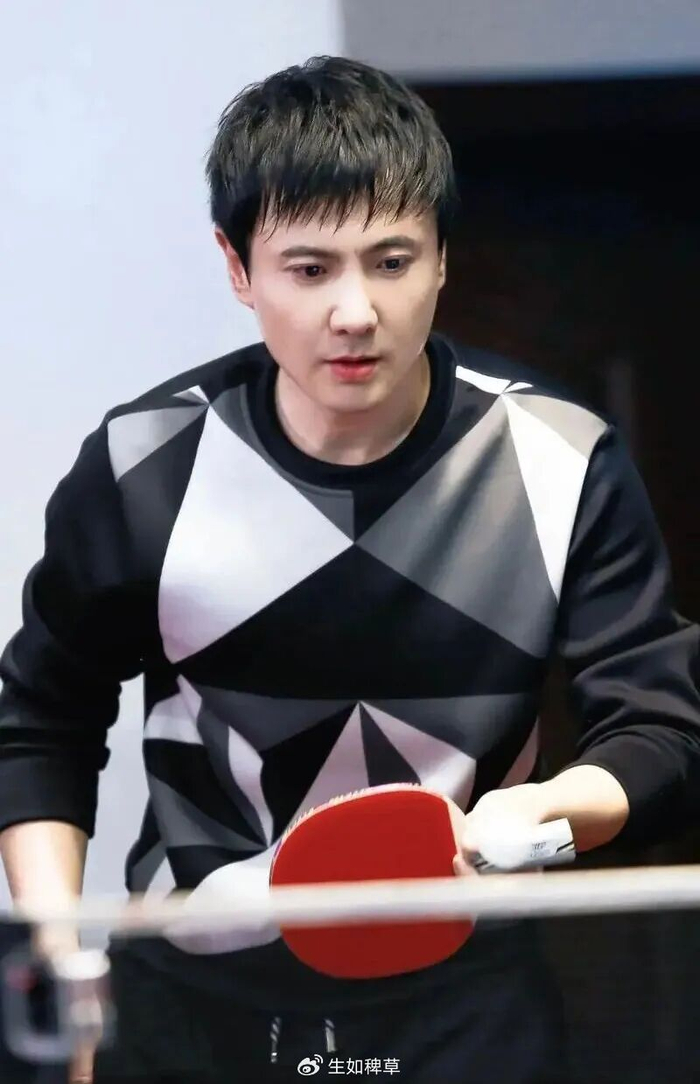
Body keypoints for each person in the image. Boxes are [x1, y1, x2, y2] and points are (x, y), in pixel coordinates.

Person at [0, 54, 699, 1084]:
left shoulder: (563, 459)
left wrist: (541, 811)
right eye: (309, 268)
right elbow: (40, 721)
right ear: (238, 267)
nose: (356, 310)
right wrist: (65, 971)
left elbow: (661, 728)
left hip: (468, 1008)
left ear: (442, 259)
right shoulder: (145, 465)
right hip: (190, 1008)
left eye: (391, 259)